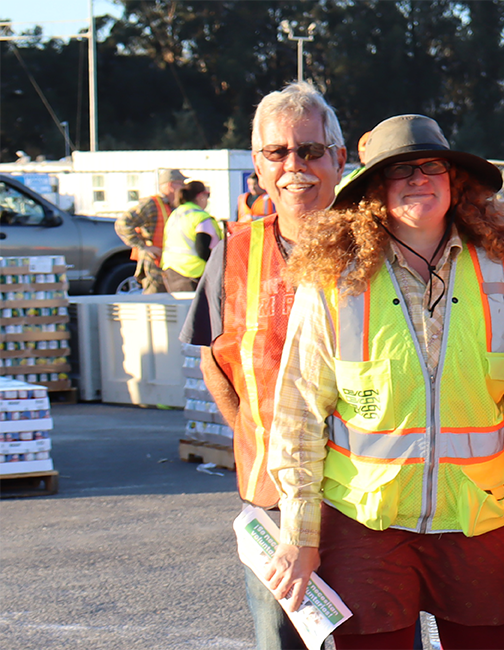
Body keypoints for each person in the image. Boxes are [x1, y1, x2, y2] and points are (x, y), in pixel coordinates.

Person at [261, 114, 504, 650]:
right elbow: (298, 412)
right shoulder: (335, 280)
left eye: (431, 166)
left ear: (454, 181)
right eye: (400, 171)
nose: (418, 178)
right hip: (364, 522)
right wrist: (301, 536)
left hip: (481, 516)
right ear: (375, 189)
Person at [180, 79, 347, 650]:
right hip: (271, 500)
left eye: (310, 150)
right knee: (281, 637)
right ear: (257, 164)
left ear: (339, 158)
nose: (293, 165)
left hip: (369, 500)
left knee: (375, 636)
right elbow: (214, 363)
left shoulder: (378, 246)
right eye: (277, 152)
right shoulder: (234, 251)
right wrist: (259, 439)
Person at [116, 168, 185, 293]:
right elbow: (122, 224)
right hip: (154, 269)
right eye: (181, 183)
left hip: (170, 269)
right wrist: (144, 247)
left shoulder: (173, 206)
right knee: (154, 306)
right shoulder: (151, 204)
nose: (184, 187)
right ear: (170, 185)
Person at [161, 180, 220, 292]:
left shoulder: (176, 214)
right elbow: (202, 249)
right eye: (206, 196)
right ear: (200, 196)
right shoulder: (200, 217)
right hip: (193, 273)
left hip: (172, 269)